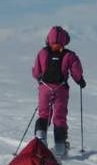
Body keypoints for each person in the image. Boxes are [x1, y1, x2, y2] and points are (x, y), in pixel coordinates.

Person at [32, 26, 86, 157]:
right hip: (61, 89)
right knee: (60, 117)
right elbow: (76, 72)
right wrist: (80, 81)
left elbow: (36, 72)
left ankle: (40, 140)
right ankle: (60, 148)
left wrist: (40, 80)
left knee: (44, 114)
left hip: (45, 88)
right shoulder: (69, 55)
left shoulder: (42, 53)